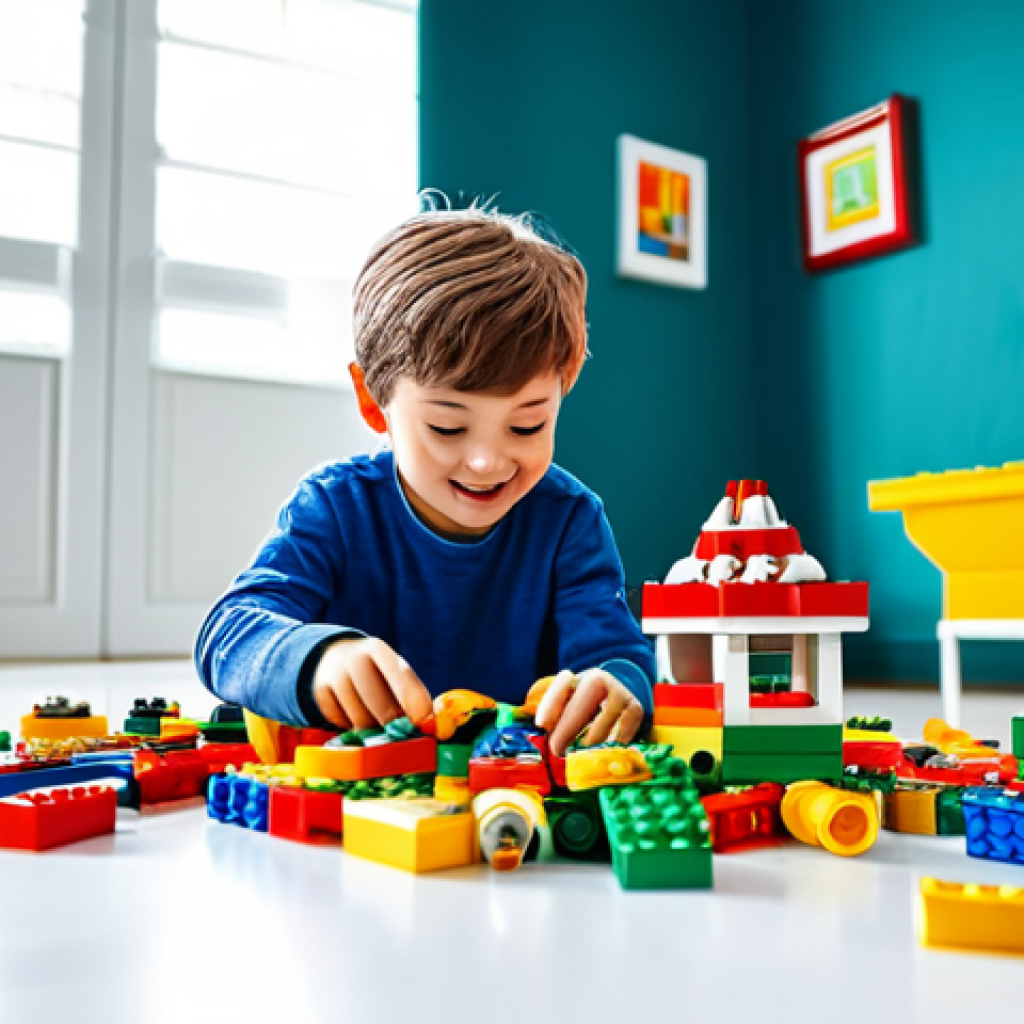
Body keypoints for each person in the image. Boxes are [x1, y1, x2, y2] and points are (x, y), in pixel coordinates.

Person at [195, 207, 654, 756]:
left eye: (527, 424)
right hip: (364, 789)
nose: (487, 461)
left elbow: (618, 655)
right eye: (447, 426)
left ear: (565, 385)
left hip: (511, 787)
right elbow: (227, 635)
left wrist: (615, 687)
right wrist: (319, 659)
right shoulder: (335, 507)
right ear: (373, 402)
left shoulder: (570, 519)